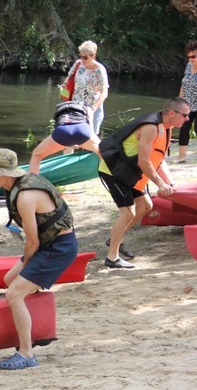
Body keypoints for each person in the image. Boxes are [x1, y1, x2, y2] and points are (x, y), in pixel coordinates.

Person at [0, 148, 78, 371]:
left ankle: (26, 353)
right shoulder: (16, 185)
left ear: (4, 174)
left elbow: (32, 243)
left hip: (58, 248)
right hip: (47, 245)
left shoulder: (24, 196)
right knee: (9, 279)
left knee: (14, 293)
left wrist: (28, 265)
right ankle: (37, 329)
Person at [98, 97, 188, 268]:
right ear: (172, 113)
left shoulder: (165, 128)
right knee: (127, 213)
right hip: (115, 172)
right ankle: (112, 258)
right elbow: (143, 162)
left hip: (132, 173)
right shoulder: (150, 127)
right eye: (184, 115)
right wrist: (160, 184)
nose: (187, 119)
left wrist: (169, 183)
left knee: (146, 205)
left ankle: (115, 238)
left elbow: (158, 159)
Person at [29, 101, 100, 174]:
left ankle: (32, 182)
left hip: (62, 131)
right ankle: (109, 177)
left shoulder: (60, 108)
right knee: (104, 152)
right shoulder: (87, 107)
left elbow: (60, 133)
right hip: (82, 129)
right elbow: (90, 127)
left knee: (36, 154)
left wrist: (72, 144)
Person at [65, 40, 109, 135]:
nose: (82, 60)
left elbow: (104, 93)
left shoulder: (100, 70)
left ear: (93, 55)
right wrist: (64, 86)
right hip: (75, 107)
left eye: (85, 57)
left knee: (89, 138)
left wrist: (92, 110)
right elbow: (69, 76)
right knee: (70, 136)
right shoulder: (78, 64)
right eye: (80, 56)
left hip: (92, 109)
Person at [177, 40, 197, 163]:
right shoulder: (188, 66)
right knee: (184, 128)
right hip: (187, 104)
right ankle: (181, 157)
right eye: (189, 56)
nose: (190, 59)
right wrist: (180, 101)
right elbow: (184, 84)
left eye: (193, 56)